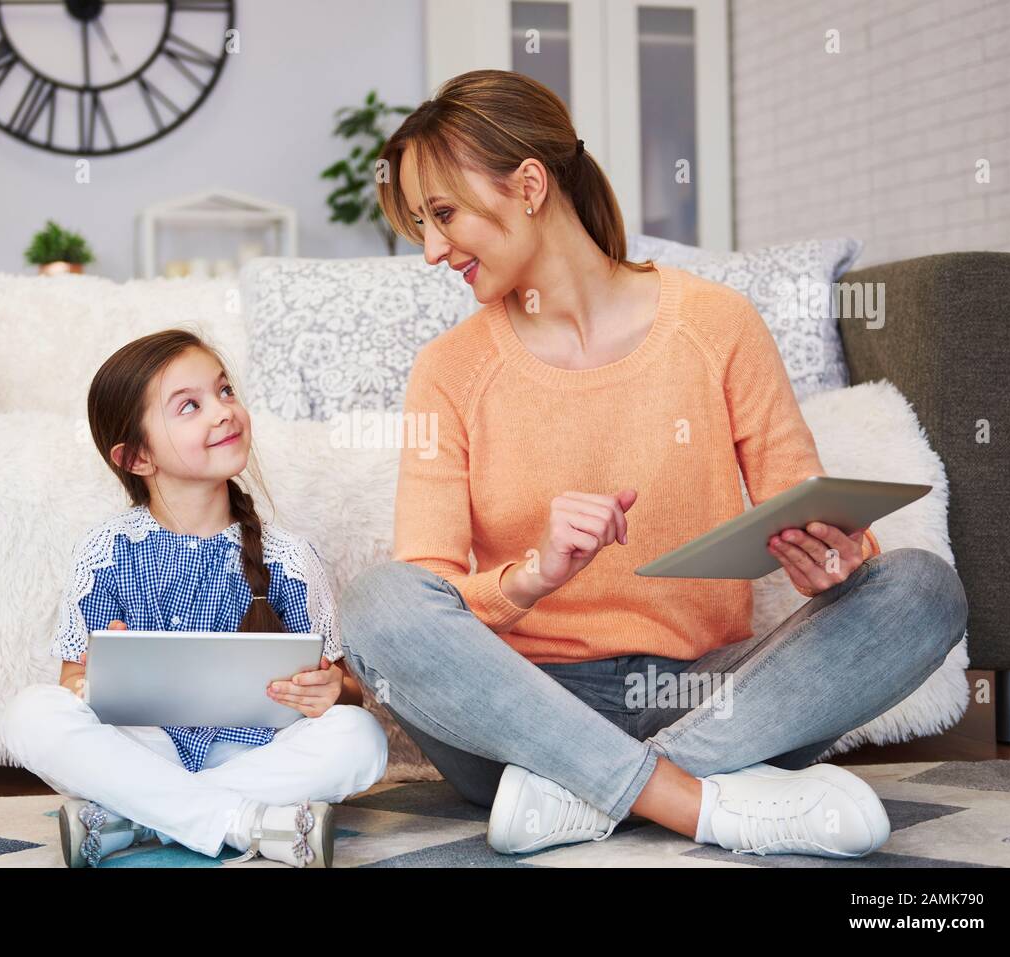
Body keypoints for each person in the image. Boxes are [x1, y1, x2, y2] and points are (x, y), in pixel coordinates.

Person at [338, 69, 968, 859]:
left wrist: (833, 562)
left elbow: (805, 506)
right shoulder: (448, 369)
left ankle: (592, 794)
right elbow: (421, 597)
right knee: (376, 601)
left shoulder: (717, 323)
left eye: (442, 214)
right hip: (520, 709)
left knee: (921, 588)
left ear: (529, 184)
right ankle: (701, 801)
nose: (431, 250)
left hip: (709, 693)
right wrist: (531, 575)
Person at [1, 329, 388, 868]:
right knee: (30, 714)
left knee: (361, 738)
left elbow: (348, 694)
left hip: (256, 752)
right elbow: (72, 684)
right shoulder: (107, 551)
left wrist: (332, 691)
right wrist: (95, 681)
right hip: (144, 749)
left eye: (225, 391)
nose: (223, 412)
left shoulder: (290, 559)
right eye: (190, 406)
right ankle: (244, 822)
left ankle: (135, 818)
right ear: (137, 458)